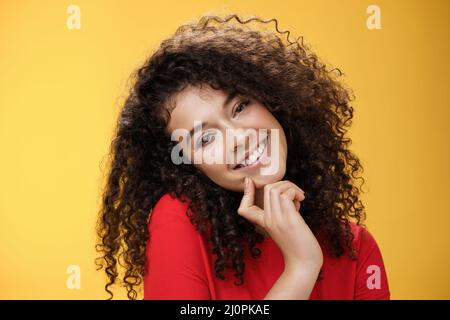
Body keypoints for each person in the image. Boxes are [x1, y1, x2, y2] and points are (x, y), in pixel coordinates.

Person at [95, 13, 390, 300]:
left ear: (273, 99)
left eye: (240, 107)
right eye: (206, 138)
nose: (239, 138)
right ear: (187, 163)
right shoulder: (178, 223)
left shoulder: (356, 248)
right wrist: (301, 268)